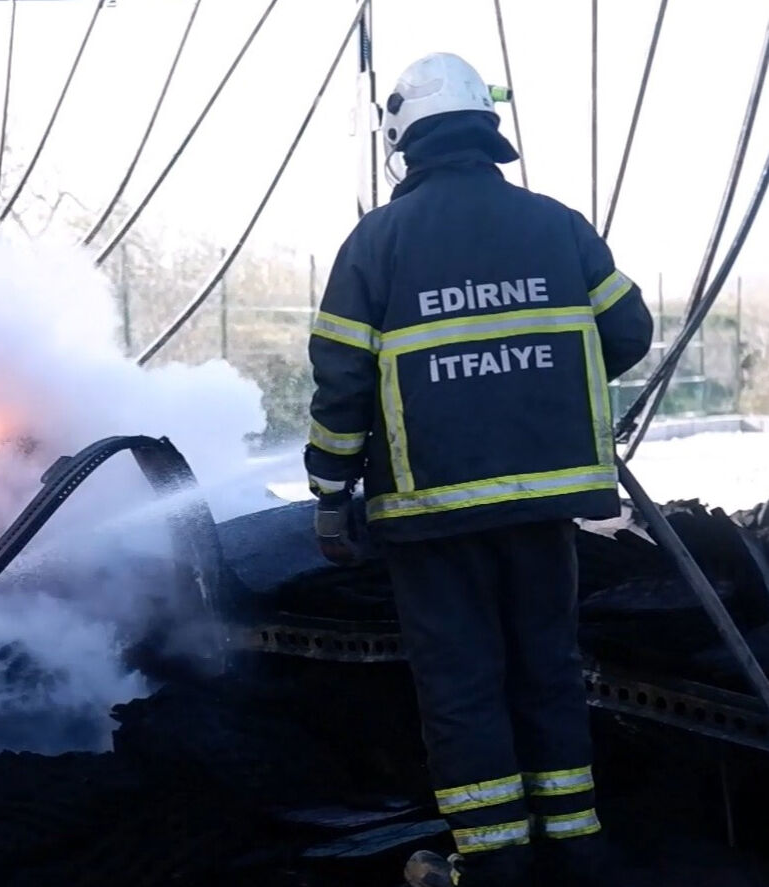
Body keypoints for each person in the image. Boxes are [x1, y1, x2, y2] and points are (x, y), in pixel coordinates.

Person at [302, 52, 654, 887]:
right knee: (547, 668)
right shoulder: (556, 224)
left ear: (404, 140)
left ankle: (495, 865)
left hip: (431, 515)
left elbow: (342, 380)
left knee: (463, 685)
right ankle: (575, 842)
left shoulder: (377, 243)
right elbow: (629, 331)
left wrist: (327, 496)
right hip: (544, 503)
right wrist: (538, 385)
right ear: (484, 128)